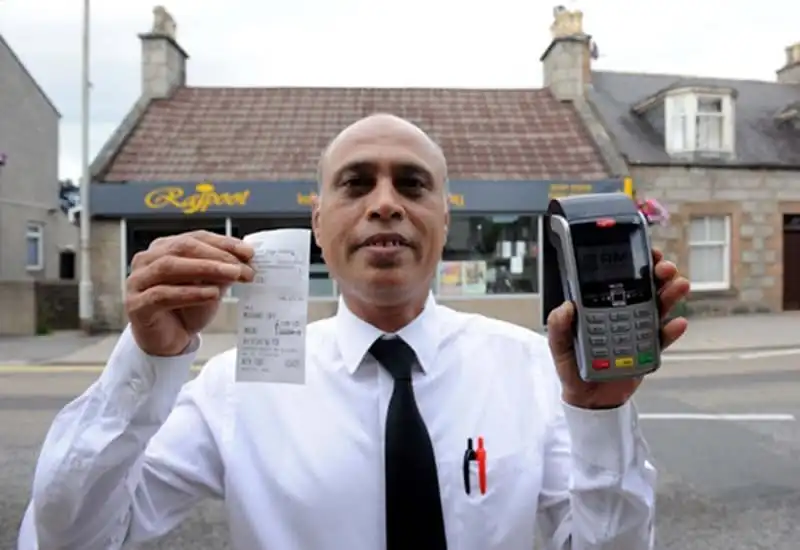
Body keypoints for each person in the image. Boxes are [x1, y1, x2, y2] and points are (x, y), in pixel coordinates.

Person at [18, 113, 690, 550]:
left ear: (443, 222)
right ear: (318, 224)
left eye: (413, 184)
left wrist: (602, 416)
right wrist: (145, 363)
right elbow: (68, 538)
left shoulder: (532, 370)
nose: (385, 202)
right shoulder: (233, 386)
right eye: (356, 183)